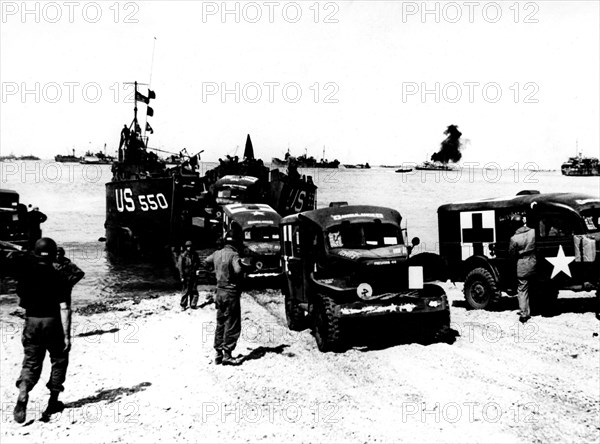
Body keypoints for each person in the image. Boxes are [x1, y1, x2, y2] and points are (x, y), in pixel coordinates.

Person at [6, 238, 72, 423]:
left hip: (32, 321)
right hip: (52, 322)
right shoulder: (60, 275)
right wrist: (67, 335)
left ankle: (24, 389)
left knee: (31, 361)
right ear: (53, 254)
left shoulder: (26, 275)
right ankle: (53, 401)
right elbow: (65, 307)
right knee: (59, 359)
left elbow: (22, 302)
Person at [204, 230, 246, 366]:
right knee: (232, 323)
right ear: (235, 242)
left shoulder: (216, 254)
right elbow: (238, 270)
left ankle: (218, 353)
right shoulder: (234, 255)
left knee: (220, 322)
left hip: (219, 292)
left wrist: (214, 273)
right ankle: (227, 355)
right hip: (230, 293)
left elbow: (205, 261)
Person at [509, 214, 536, 323]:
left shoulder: (514, 238)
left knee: (522, 289)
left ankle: (524, 314)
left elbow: (511, 254)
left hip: (522, 265)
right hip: (534, 262)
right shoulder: (533, 232)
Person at [177, 240, 200, 310]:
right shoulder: (183, 256)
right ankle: (183, 305)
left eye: (190, 246)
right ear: (186, 247)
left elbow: (198, 263)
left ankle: (193, 304)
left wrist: (197, 270)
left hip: (193, 274)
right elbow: (180, 267)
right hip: (186, 275)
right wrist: (182, 277)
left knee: (194, 290)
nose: (189, 248)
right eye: (188, 247)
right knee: (185, 291)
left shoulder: (195, 255)